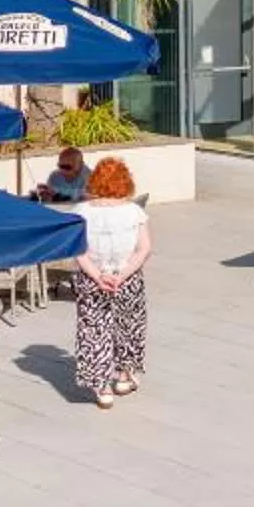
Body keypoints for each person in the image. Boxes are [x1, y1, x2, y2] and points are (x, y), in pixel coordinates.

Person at [71, 156, 153, 407]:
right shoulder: (134, 212)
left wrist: (97, 275)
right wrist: (122, 274)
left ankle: (102, 388)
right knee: (128, 326)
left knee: (95, 329)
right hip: (126, 278)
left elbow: (77, 250)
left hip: (92, 278)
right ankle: (124, 377)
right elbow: (144, 249)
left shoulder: (80, 213)